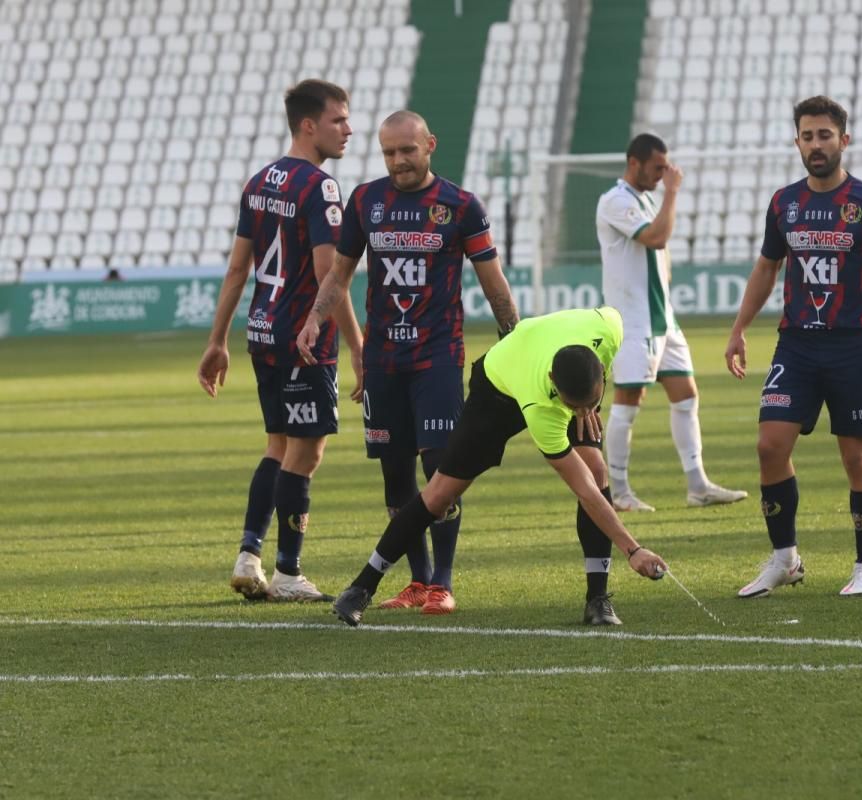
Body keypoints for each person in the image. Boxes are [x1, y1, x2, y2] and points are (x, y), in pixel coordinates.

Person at [308, 307, 669, 627]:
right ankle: (360, 588)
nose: (580, 413)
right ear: (557, 391)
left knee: (597, 468)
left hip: (549, 363)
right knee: (440, 494)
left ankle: (597, 600)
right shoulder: (541, 407)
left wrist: (587, 406)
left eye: (589, 402)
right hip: (499, 386)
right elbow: (585, 492)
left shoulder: (608, 328)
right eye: (574, 406)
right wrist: (633, 550)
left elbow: (588, 422)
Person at [297, 110, 519, 615]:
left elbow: (493, 282)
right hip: (383, 362)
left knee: (442, 467)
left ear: (430, 145)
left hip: (437, 358)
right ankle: (417, 582)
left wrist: (515, 336)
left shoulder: (461, 206)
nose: (398, 161)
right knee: (395, 477)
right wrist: (315, 318)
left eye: (407, 151)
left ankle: (442, 581)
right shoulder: (366, 201)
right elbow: (339, 273)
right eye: (389, 153)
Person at [723, 95, 862, 599]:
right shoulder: (783, 202)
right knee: (769, 446)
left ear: (843, 140)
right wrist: (739, 328)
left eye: (824, 135)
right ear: (797, 142)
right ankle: (785, 559)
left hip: (853, 347)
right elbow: (767, 268)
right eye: (807, 136)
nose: (815, 144)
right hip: (796, 347)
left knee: (858, 460)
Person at [197, 79, 363, 601]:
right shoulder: (321, 188)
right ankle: (289, 572)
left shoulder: (258, 183)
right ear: (308, 125)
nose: (348, 129)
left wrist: (217, 340)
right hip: (303, 339)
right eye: (339, 120)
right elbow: (327, 278)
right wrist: (359, 347)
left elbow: (237, 269)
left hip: (262, 331)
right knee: (307, 453)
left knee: (278, 445)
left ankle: (249, 555)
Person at [596, 133, 747, 512]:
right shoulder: (615, 201)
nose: (664, 175)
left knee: (686, 395)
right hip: (633, 321)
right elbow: (657, 238)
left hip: (662, 318)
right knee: (629, 400)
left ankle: (698, 486)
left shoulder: (645, 199)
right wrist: (674, 193)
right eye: (658, 168)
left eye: (666, 169)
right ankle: (618, 491)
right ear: (635, 163)